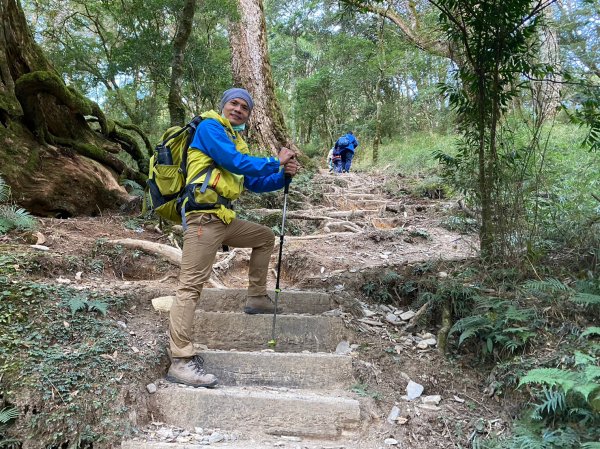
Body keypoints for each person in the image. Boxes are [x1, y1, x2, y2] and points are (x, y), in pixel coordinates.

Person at [166, 88, 299, 388]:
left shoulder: (235, 138)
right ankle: (181, 360)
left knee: (264, 237)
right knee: (190, 286)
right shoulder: (209, 128)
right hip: (203, 218)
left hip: (223, 219)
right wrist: (274, 160)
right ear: (223, 105)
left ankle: (255, 298)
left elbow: (253, 182)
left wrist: (283, 176)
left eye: (245, 107)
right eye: (234, 104)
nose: (239, 109)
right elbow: (234, 162)